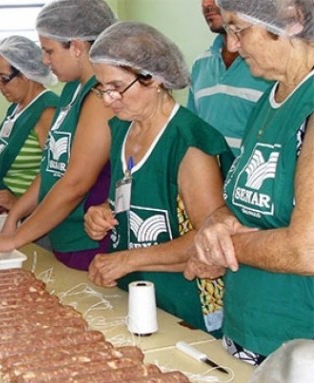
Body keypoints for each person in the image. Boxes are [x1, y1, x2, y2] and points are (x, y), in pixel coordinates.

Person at [184, 0, 314, 365]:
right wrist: (216, 223)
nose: (233, 45)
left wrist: (220, 248)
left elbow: (307, 248)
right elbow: (245, 202)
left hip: (299, 347)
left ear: (292, 20)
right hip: (248, 331)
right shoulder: (269, 100)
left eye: (239, 29)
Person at [84, 21, 234, 334]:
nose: (109, 100)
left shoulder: (189, 142)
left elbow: (209, 237)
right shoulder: (122, 129)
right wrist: (101, 212)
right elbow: (131, 196)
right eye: (102, 89)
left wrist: (127, 260)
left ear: (152, 79)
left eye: (116, 87)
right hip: (135, 294)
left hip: (184, 304)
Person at [0, 0, 116, 271]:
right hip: (61, 233)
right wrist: (15, 215)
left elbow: (76, 181)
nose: (43, 60)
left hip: (90, 240)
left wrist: (18, 237)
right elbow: (53, 168)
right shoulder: (71, 92)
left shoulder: (100, 97)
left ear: (76, 47)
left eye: (48, 50)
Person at [187, 0, 271, 155]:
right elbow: (193, 131)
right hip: (210, 174)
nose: (207, 4)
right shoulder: (200, 65)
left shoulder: (269, 66)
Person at [0, 35, 59, 211]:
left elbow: (55, 172)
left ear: (27, 73)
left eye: (4, 78)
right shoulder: (16, 108)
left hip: (35, 217)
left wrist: (18, 202)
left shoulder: (47, 111)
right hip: (12, 214)